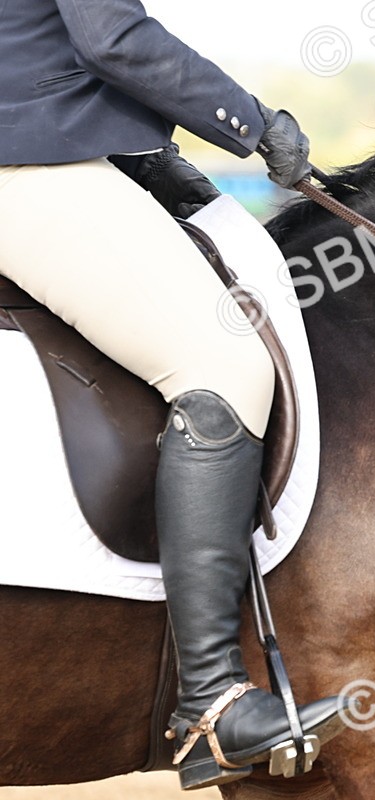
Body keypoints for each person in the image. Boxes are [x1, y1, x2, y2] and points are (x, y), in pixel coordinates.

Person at [0, 0, 347, 791]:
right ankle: (212, 704)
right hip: (19, 163)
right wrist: (255, 126)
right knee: (225, 364)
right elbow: (111, 36)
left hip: (46, 141)